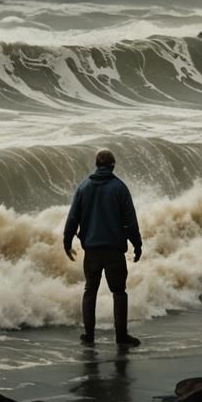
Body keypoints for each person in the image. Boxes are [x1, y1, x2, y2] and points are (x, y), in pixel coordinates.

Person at [64, 148, 143, 346]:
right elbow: (130, 222)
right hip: (114, 250)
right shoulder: (120, 188)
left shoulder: (83, 187)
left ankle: (89, 336)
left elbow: (73, 218)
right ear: (112, 166)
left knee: (90, 290)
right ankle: (121, 336)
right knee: (119, 292)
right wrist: (137, 244)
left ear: (97, 165)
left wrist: (67, 242)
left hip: (91, 250)